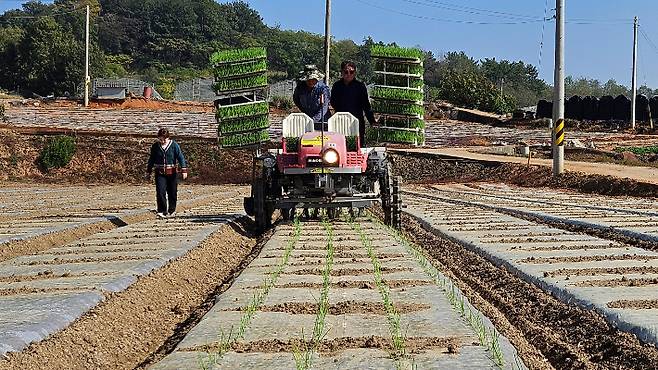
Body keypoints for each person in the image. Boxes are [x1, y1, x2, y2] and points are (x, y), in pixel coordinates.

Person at [330, 60, 376, 146]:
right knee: (340, 145)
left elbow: (366, 105)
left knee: (358, 145)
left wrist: (372, 121)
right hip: (341, 120)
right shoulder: (337, 86)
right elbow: (333, 101)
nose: (348, 74)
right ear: (342, 72)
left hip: (357, 121)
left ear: (355, 73)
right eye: (346, 72)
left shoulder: (360, 86)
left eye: (351, 72)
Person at [146, 128, 188, 218]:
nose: (162, 141)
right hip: (160, 173)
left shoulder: (174, 145)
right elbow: (151, 159)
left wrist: (184, 170)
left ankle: (171, 210)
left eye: (164, 139)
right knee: (160, 192)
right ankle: (162, 210)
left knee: (172, 192)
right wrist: (148, 171)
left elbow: (180, 157)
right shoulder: (155, 146)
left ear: (168, 138)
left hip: (172, 173)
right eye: (160, 139)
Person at [293, 64, 331, 129]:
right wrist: (304, 112)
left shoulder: (323, 88)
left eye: (313, 79)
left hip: (322, 121)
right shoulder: (300, 88)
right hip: (307, 119)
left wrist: (313, 120)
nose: (310, 81)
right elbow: (296, 100)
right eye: (308, 79)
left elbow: (324, 107)